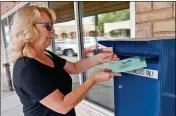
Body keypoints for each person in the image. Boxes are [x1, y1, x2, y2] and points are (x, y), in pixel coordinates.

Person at [10, 5, 121, 116]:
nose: (52, 30)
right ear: (29, 28)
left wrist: (98, 58)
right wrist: (94, 79)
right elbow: (62, 106)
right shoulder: (26, 68)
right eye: (47, 25)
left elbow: (74, 68)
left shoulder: (47, 55)